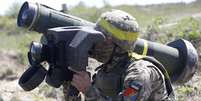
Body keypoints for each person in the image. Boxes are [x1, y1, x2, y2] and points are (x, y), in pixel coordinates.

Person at [66, 10, 175, 101]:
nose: (95, 44)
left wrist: (88, 90)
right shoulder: (107, 69)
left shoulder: (139, 73)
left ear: (119, 46)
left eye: (101, 41)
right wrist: (70, 86)